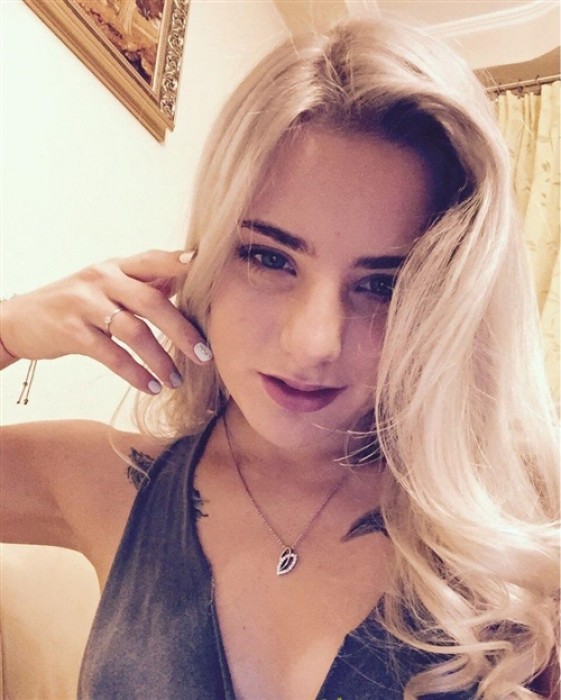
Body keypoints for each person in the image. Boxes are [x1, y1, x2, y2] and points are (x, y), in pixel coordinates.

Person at [1, 15, 558, 700]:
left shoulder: (514, 542)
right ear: (205, 258)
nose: (314, 342)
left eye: (384, 285)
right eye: (269, 257)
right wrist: (11, 327)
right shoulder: (104, 481)